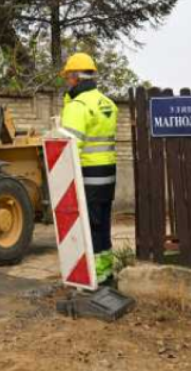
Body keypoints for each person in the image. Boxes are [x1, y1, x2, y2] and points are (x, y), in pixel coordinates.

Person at [60, 52, 119, 286]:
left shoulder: (78, 106)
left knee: (90, 227)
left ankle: (94, 277)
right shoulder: (108, 104)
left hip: (88, 175)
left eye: (68, 77)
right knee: (103, 225)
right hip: (108, 175)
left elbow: (69, 147)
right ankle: (105, 273)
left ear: (76, 77)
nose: (67, 82)